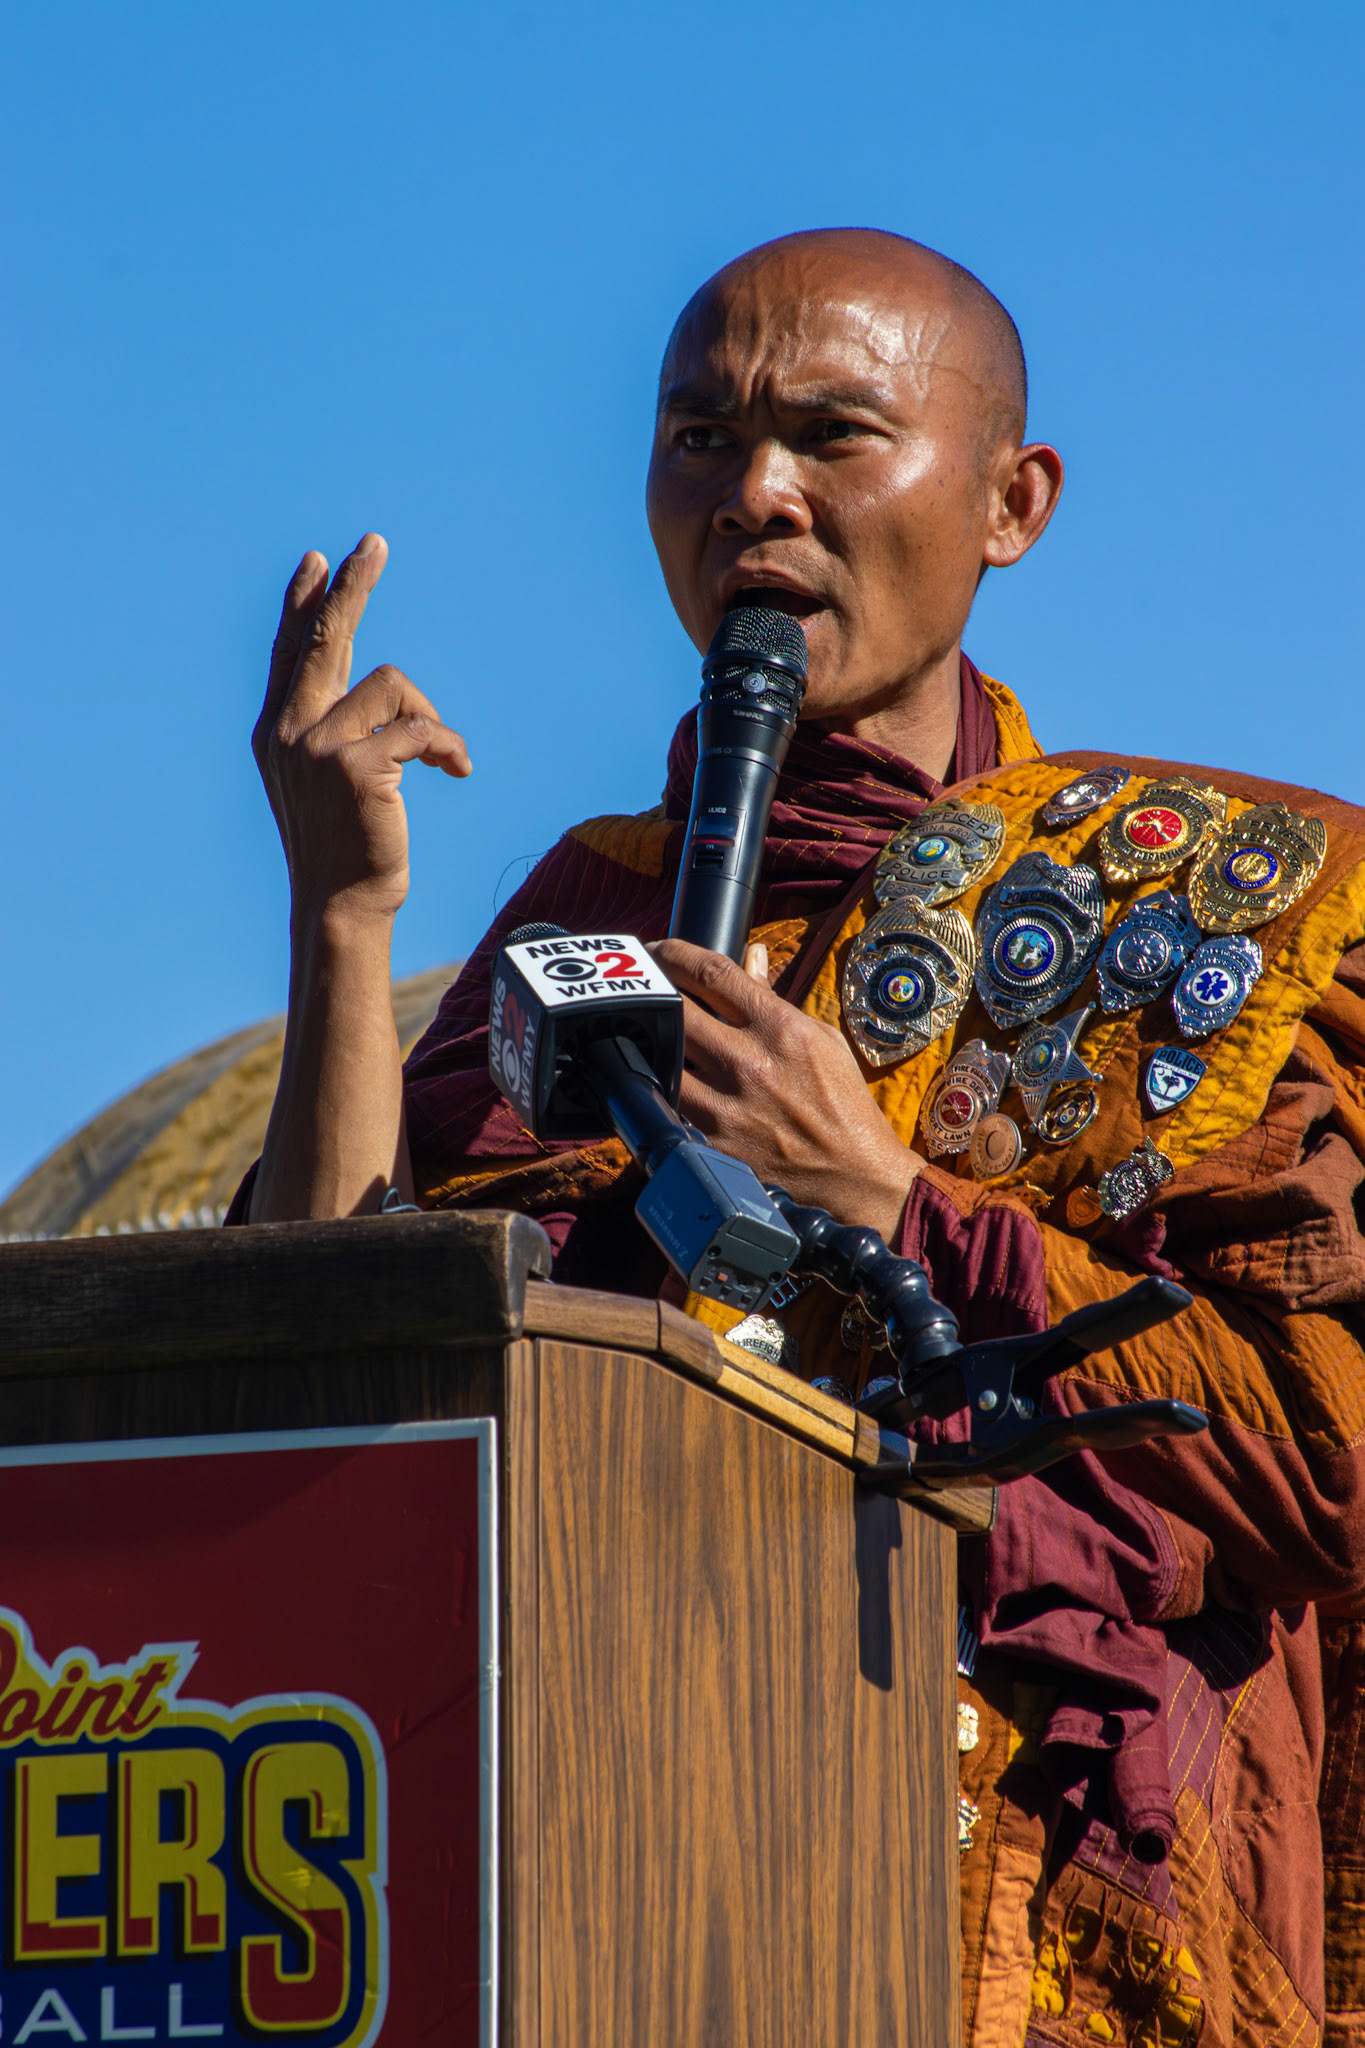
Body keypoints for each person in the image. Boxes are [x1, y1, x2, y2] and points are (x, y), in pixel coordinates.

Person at [238, 230, 1365, 2046]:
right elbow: (315, 1396)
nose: (753, 493)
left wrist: (890, 1200)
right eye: (700, 437)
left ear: (1010, 503)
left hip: (994, 1928)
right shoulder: (582, 911)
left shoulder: (1212, 912)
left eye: (833, 435)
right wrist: (343, 918)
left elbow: (1319, 1466)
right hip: (591, 1872)